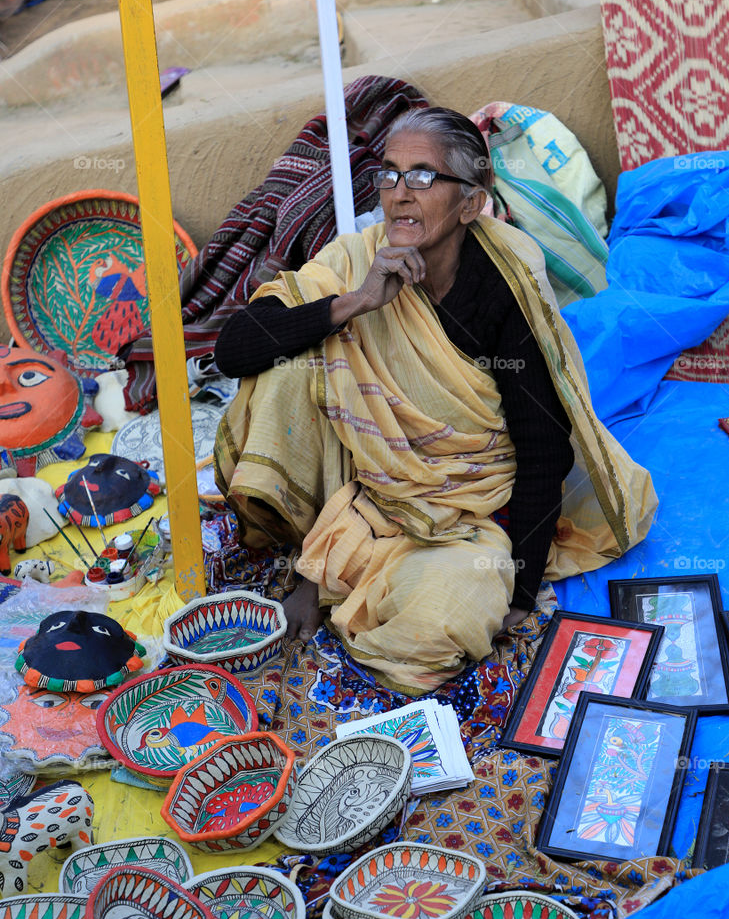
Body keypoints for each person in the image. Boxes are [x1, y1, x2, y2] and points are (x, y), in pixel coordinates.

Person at [214, 107, 656, 694]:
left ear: (471, 203)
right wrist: (356, 303)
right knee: (286, 364)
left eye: (423, 177)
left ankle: (348, 574)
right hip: (368, 481)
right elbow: (234, 349)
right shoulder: (354, 260)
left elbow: (544, 443)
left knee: (442, 622)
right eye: (390, 176)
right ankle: (320, 556)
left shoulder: (503, 283)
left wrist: (520, 594)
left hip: (465, 505)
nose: (400, 195)